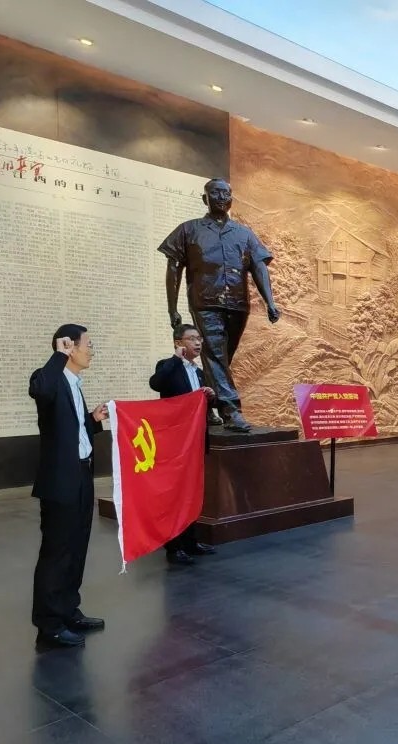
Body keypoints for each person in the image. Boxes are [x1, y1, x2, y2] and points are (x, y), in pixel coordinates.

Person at [159, 178, 281, 433]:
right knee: (215, 355)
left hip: (238, 305)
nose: (221, 198)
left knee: (220, 359)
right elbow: (173, 268)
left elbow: (259, 267)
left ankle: (204, 404)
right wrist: (172, 308)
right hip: (205, 302)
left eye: (226, 193)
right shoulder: (189, 230)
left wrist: (270, 302)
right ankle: (231, 410)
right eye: (215, 193)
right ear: (205, 198)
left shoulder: (244, 234)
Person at [28, 324, 110, 649]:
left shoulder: (75, 384)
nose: (92, 350)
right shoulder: (48, 378)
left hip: (82, 475)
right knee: (57, 552)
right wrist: (57, 356)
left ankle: (68, 611)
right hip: (60, 481)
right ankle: (49, 625)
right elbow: (41, 391)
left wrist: (93, 420)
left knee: (77, 547)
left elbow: (71, 430)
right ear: (69, 346)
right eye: (88, 344)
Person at [148, 324, 220, 565]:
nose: (198, 343)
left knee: (191, 493)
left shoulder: (198, 372)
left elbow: (204, 406)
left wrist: (210, 397)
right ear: (179, 342)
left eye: (199, 338)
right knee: (174, 496)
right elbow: (156, 384)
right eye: (192, 339)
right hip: (175, 444)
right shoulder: (167, 366)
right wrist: (175, 358)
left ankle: (191, 542)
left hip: (195, 442)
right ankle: (173, 546)